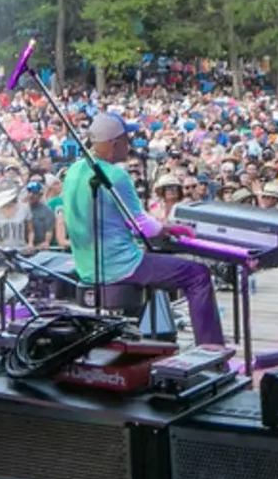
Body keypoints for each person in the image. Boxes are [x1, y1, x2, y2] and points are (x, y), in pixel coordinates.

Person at [62, 113, 225, 346]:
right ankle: (212, 350)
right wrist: (170, 229)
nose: (129, 144)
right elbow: (143, 226)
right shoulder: (115, 175)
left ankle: (135, 340)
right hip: (120, 265)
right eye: (126, 139)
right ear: (115, 143)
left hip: (87, 267)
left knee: (158, 265)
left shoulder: (73, 171)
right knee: (198, 275)